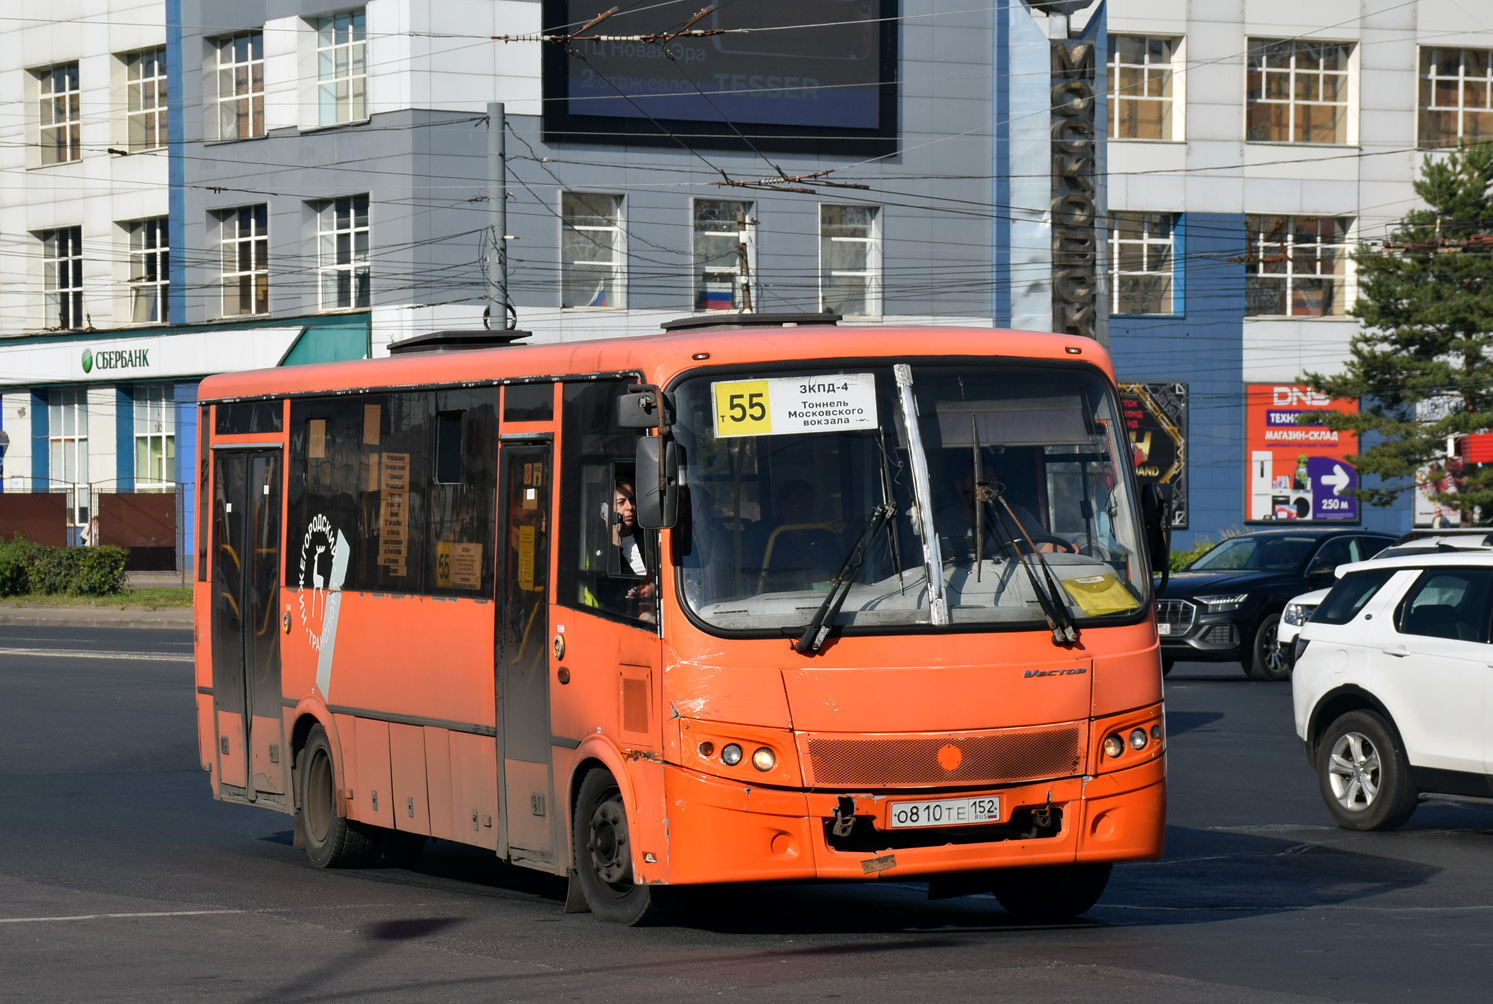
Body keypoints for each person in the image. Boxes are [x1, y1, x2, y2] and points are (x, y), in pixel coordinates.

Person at [611, 482, 654, 608]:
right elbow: (609, 591)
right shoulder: (599, 546)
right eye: (621, 503)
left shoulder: (648, 535)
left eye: (632, 501)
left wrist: (654, 587)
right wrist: (615, 544)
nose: (630, 507)